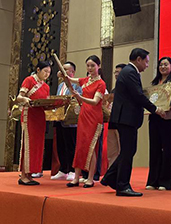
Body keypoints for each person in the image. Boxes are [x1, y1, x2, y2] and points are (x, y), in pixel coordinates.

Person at [102, 48, 165, 197]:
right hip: (126, 119)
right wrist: (155, 109)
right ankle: (123, 186)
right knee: (128, 151)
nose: (147, 65)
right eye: (146, 62)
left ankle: (110, 177)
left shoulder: (129, 72)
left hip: (126, 118)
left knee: (128, 151)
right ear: (138, 59)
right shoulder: (130, 72)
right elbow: (138, 95)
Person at [63, 55, 106, 188]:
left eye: (93, 65)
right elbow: (70, 79)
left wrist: (80, 97)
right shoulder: (85, 80)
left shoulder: (101, 83)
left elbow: (95, 101)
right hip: (83, 116)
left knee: (91, 147)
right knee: (80, 146)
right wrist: (64, 74)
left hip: (94, 117)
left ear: (98, 66)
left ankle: (90, 178)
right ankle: (76, 177)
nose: (90, 68)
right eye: (88, 66)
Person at [146, 57, 171, 191]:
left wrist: (168, 107)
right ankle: (153, 181)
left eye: (166, 64)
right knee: (154, 149)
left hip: (168, 118)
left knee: (167, 150)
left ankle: (166, 182)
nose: (163, 67)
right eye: (161, 65)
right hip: (155, 118)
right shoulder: (155, 83)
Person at [17, 61, 51, 185]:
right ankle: (24, 175)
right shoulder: (29, 80)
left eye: (49, 72)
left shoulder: (46, 87)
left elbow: (46, 103)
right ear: (38, 70)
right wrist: (26, 99)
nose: (47, 74)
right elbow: (19, 97)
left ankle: (30, 174)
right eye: (45, 71)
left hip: (40, 117)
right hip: (29, 115)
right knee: (28, 144)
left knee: (37, 146)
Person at [51, 61, 82, 181]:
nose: (62, 71)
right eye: (62, 68)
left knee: (71, 145)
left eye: (65, 69)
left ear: (72, 72)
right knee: (61, 145)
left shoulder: (77, 85)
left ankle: (72, 170)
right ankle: (63, 169)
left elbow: (77, 100)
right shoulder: (60, 85)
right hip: (59, 118)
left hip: (71, 121)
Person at [107, 63, 127, 166]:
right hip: (112, 122)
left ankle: (120, 171)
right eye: (115, 72)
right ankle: (111, 171)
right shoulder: (114, 90)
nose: (116, 74)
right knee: (111, 151)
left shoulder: (127, 89)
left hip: (122, 122)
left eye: (119, 72)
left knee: (122, 150)